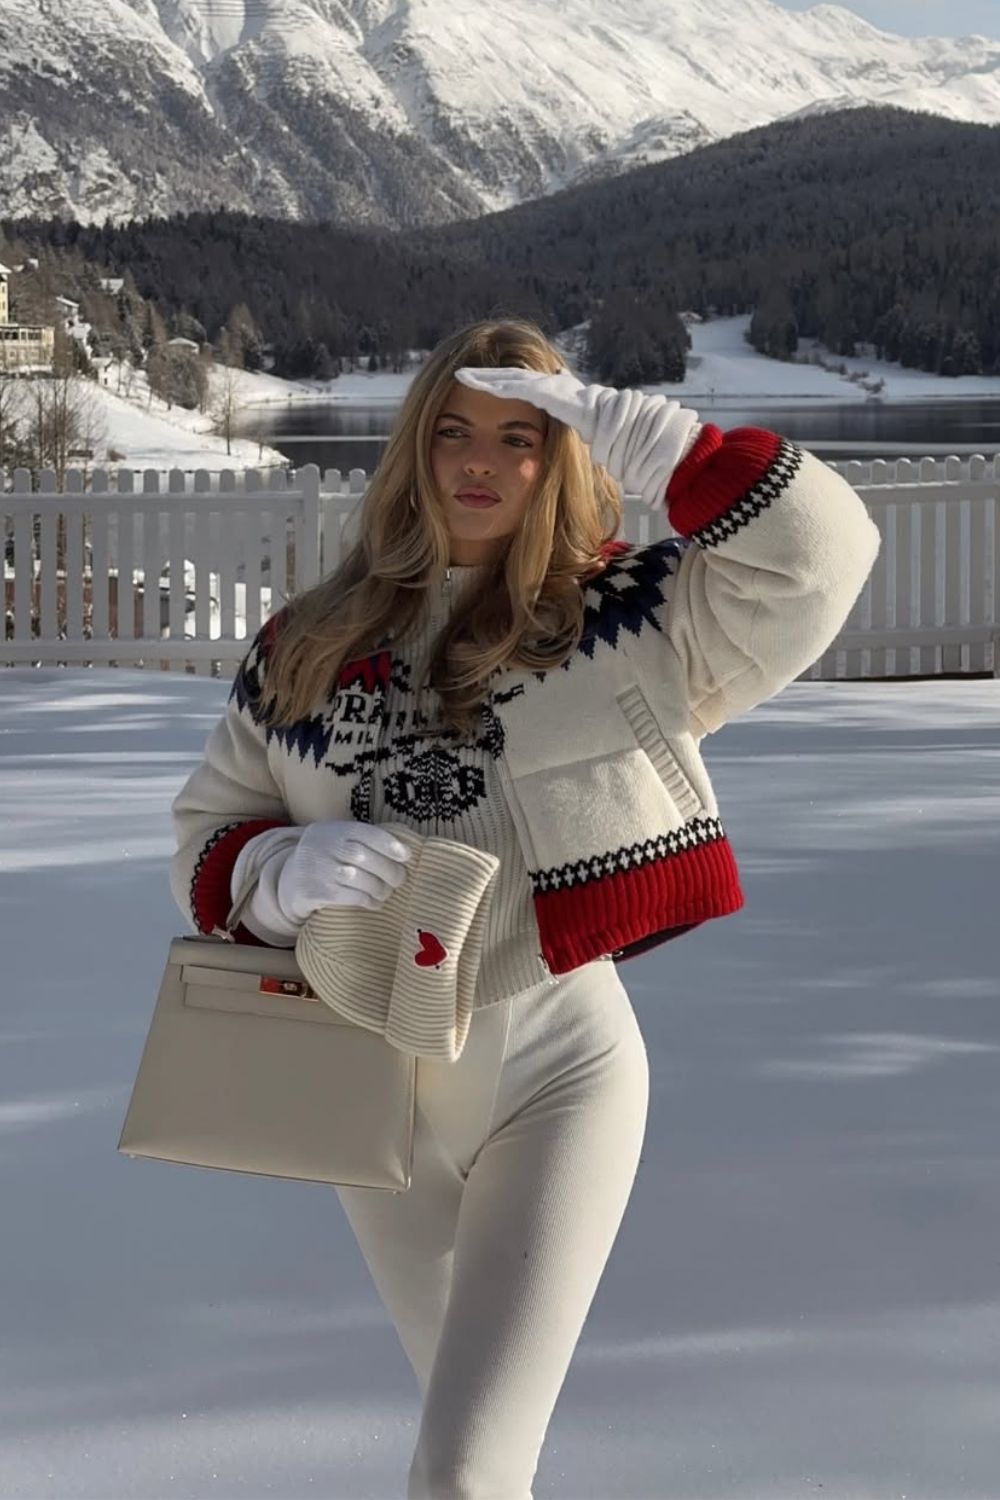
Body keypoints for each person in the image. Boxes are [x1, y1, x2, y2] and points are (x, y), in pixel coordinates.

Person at [170, 317, 880, 1498]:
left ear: (565, 456)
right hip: (366, 1093)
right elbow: (210, 825)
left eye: (521, 437)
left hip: (556, 1069)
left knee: (460, 1472)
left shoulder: (625, 621)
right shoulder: (300, 644)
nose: (478, 462)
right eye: (450, 431)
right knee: (483, 1464)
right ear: (412, 450)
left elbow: (824, 554)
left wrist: (663, 442)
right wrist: (269, 875)